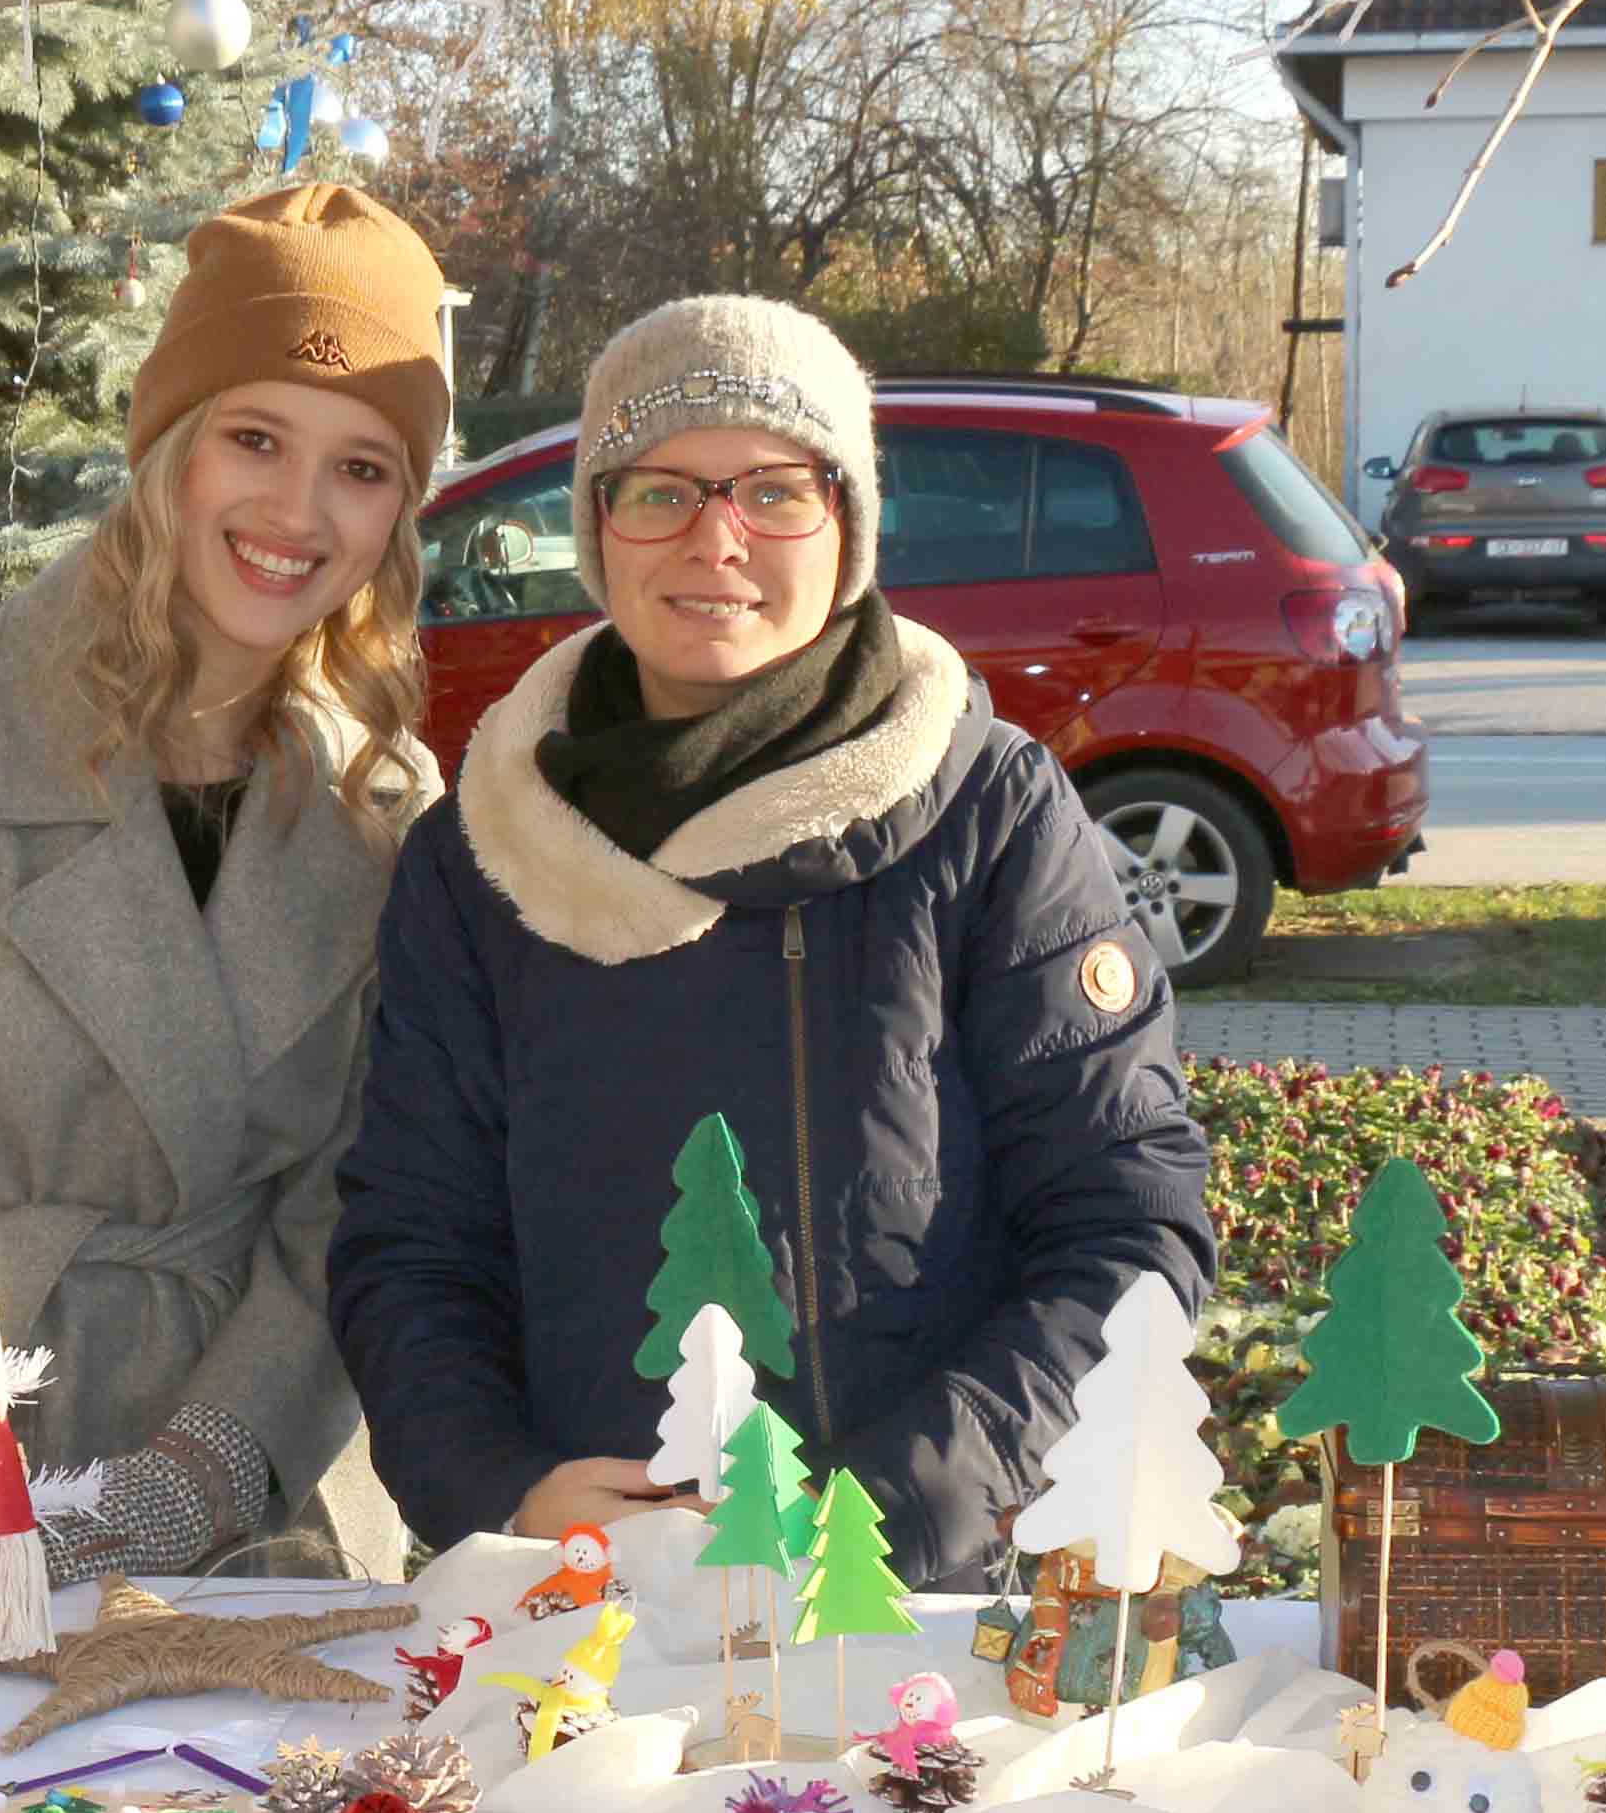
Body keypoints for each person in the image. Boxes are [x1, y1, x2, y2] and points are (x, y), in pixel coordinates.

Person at [324, 297, 1214, 1589]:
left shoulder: (985, 815)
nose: (714, 538)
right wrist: (503, 1491)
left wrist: (883, 1520)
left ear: (844, 524)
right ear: (596, 526)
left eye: (773, 491)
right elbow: (412, 1242)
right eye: (660, 493)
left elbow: (1129, 1224)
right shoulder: (479, 857)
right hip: (583, 1610)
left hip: (914, 1616)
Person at [0, 182, 455, 1578]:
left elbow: (369, 1189)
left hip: (270, 1505)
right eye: (254, 439)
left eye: (361, 467)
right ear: (168, 450)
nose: (297, 511)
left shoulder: (386, 809)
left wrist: (204, 1465)